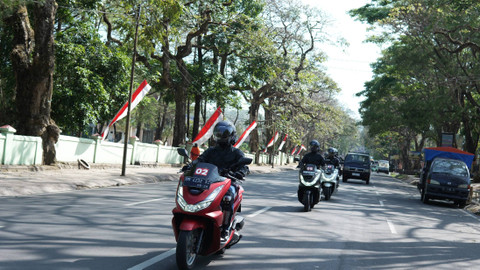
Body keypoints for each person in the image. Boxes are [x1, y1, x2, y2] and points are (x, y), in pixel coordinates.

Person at [196, 120, 248, 239]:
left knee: (227, 198)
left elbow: (244, 166)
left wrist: (241, 172)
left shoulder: (236, 153)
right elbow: (200, 160)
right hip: (210, 181)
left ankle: (225, 228)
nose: (220, 136)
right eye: (218, 133)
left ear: (231, 136)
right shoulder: (210, 151)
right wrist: (191, 165)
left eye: (223, 134)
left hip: (228, 182)